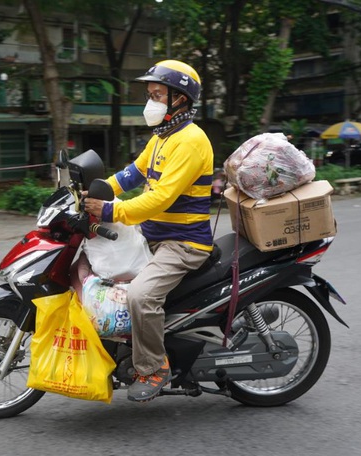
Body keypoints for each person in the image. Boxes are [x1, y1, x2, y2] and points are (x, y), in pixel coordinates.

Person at [84, 60, 214, 402]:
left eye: (158, 95)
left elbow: (160, 198)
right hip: (154, 236)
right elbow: (131, 175)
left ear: (180, 99)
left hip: (183, 244)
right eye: (150, 95)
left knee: (140, 295)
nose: (151, 103)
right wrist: (95, 191)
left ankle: (154, 367)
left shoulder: (189, 141)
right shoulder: (163, 138)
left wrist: (110, 210)